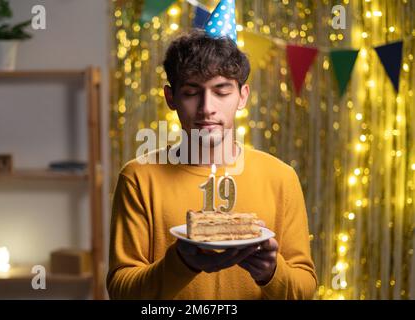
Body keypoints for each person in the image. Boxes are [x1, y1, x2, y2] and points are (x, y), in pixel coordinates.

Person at [107, 0, 316, 300]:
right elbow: (121, 292)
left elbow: (304, 289)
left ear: (242, 96)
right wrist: (182, 263)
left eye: (221, 91)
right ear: (171, 97)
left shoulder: (280, 177)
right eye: (192, 92)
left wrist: (271, 272)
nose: (207, 108)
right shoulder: (138, 178)